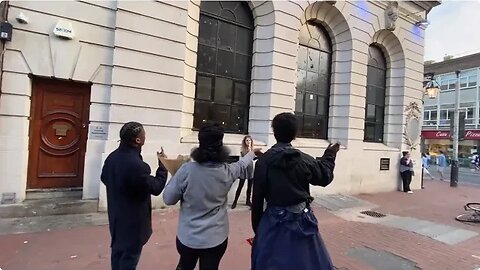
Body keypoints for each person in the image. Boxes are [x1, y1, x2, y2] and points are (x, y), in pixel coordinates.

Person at [163, 122, 261, 270]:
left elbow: (168, 199)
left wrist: (175, 173)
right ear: (221, 146)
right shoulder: (228, 171)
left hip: (188, 237)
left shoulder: (186, 170)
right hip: (216, 238)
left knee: (185, 265)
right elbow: (242, 165)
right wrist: (253, 153)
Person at [251, 112, 340, 270]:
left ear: (274, 131)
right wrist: (330, 155)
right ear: (294, 134)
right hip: (301, 222)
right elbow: (324, 176)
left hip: (273, 223)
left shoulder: (264, 162)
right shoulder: (303, 160)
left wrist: (259, 231)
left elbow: (257, 200)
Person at [101, 122, 168, 270]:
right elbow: (156, 187)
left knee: (117, 254)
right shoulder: (137, 165)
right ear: (138, 140)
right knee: (128, 259)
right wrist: (163, 167)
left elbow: (104, 178)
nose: (145, 137)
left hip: (116, 218)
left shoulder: (112, 158)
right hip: (133, 223)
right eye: (143, 135)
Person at [231, 135, 255, 209]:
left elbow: (253, 159)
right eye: (247, 140)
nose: (248, 142)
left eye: (249, 140)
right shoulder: (243, 150)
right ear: (244, 142)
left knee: (250, 186)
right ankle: (235, 201)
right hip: (244, 169)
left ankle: (248, 201)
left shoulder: (253, 150)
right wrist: (249, 150)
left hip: (251, 169)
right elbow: (244, 158)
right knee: (240, 186)